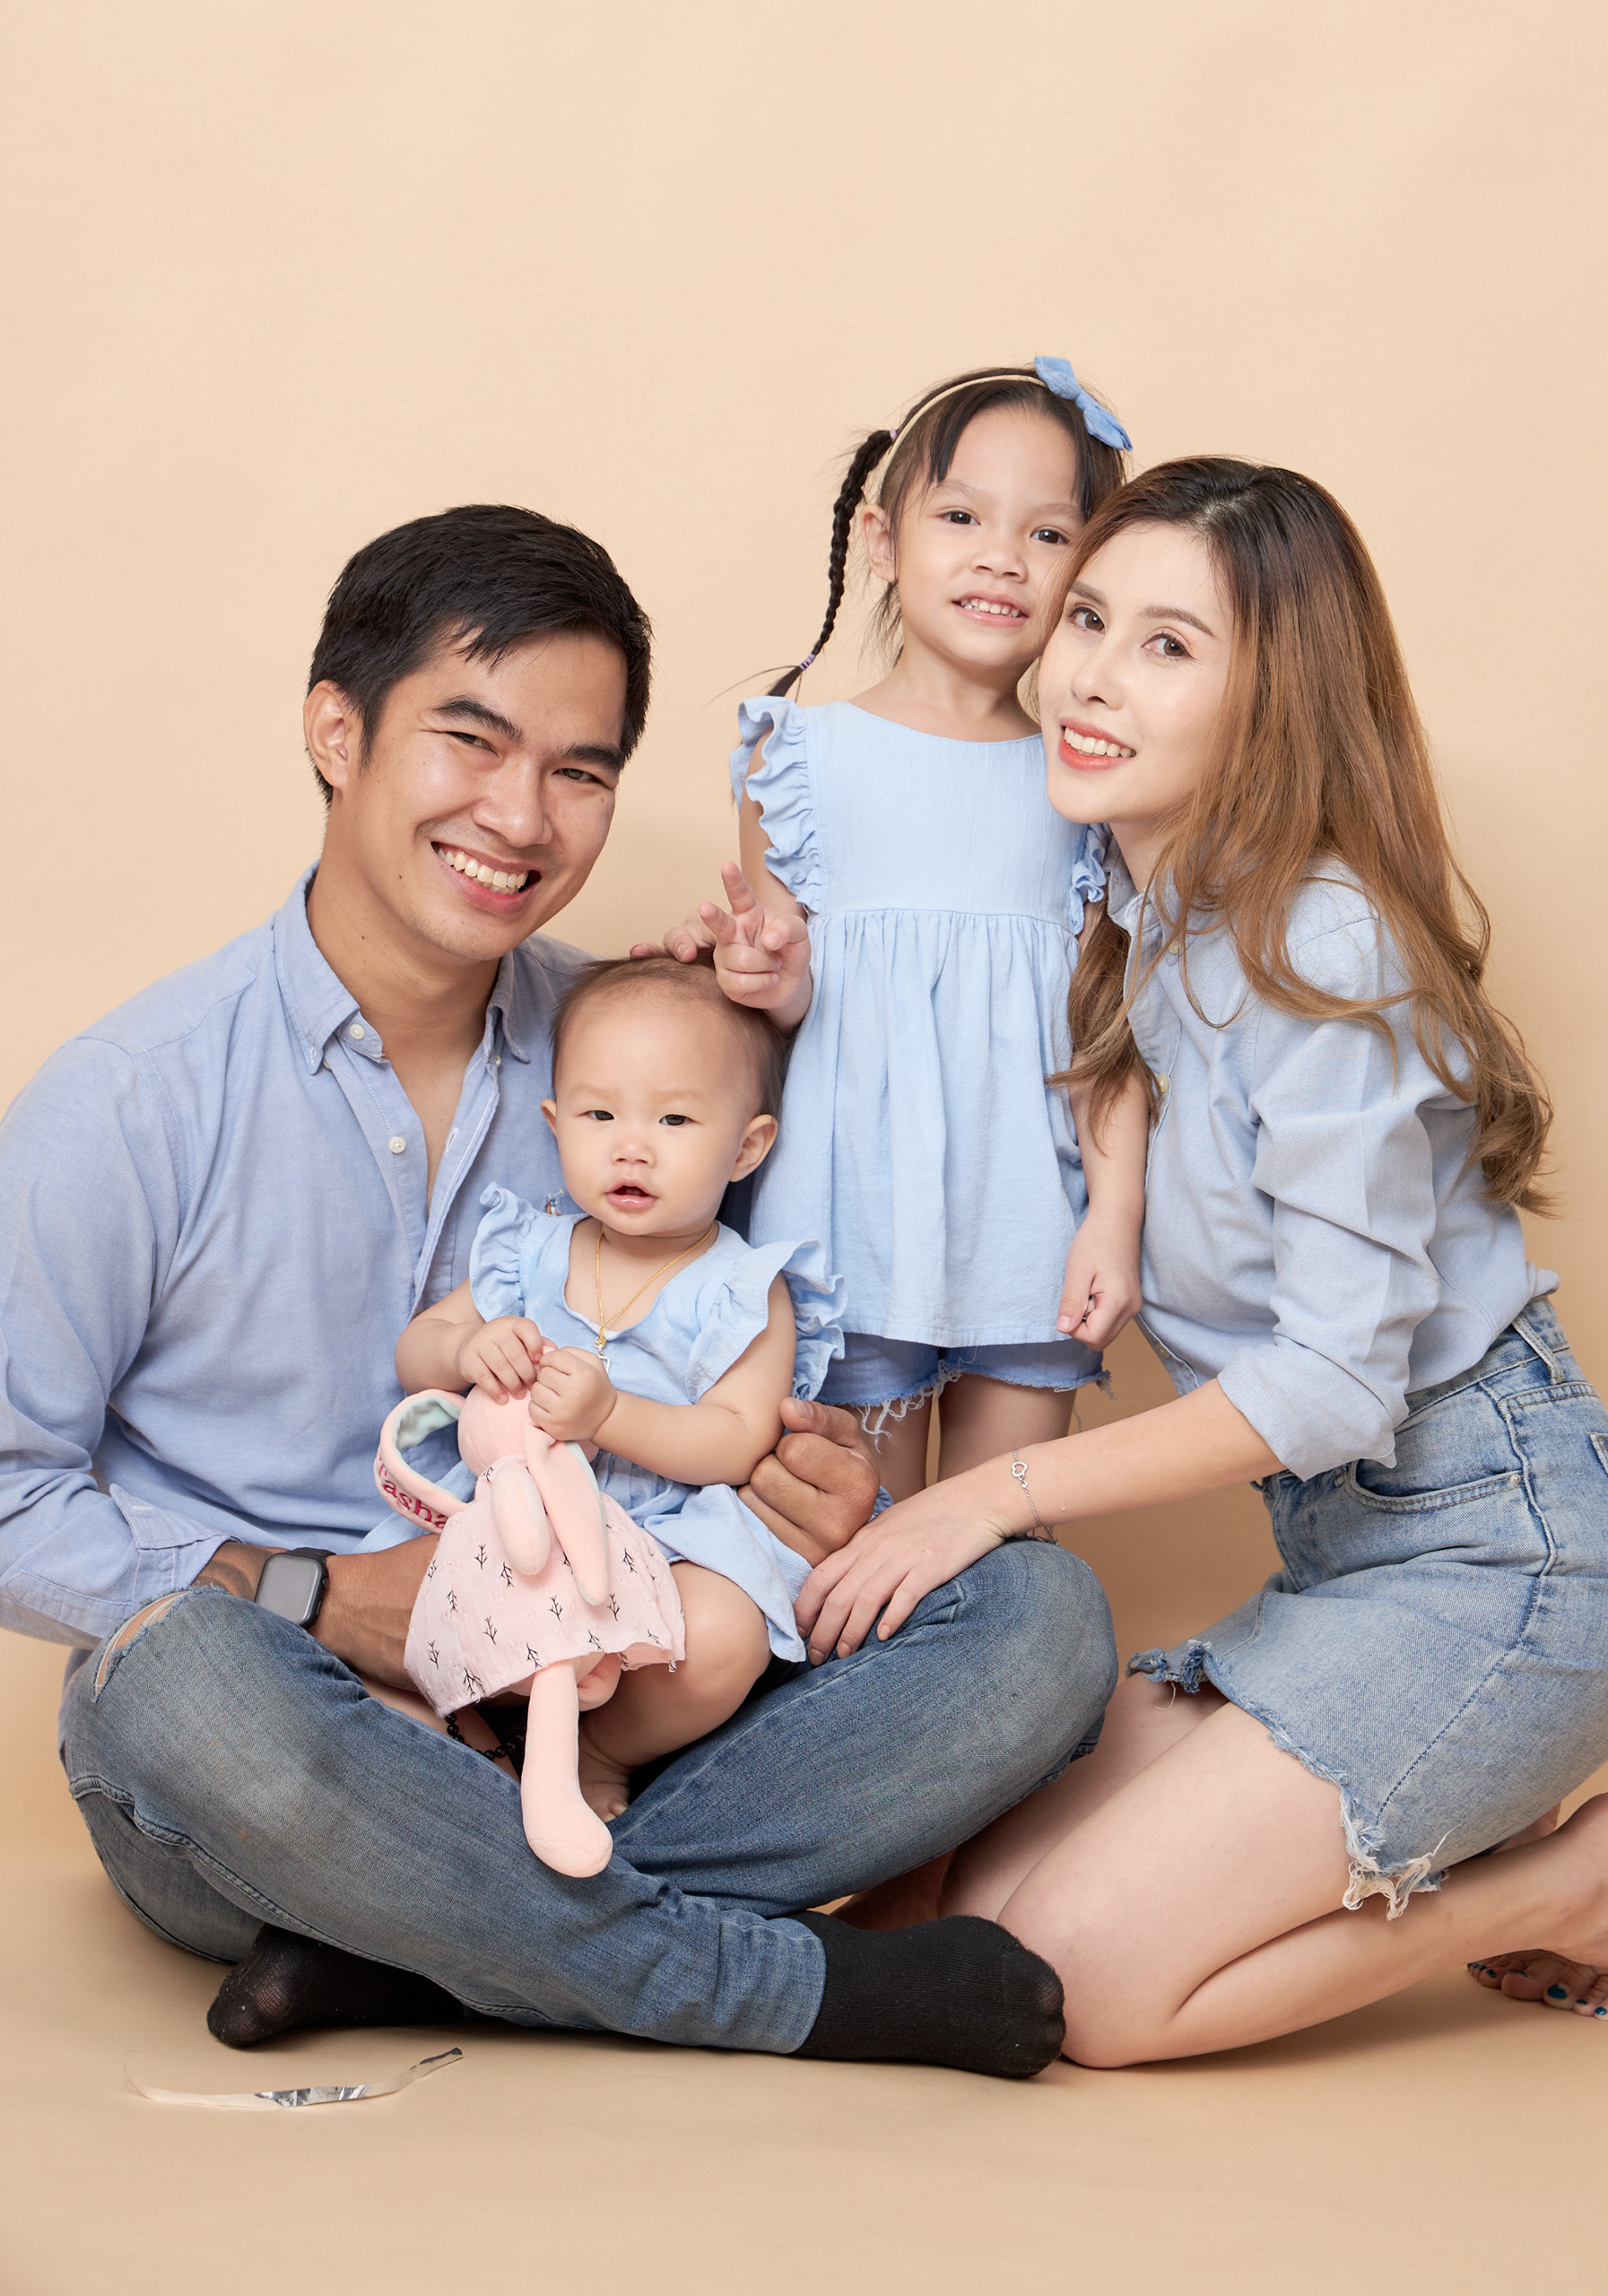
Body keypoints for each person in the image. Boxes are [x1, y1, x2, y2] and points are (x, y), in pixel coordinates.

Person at [0, 504, 1116, 2078]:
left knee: (1036, 1620)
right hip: (294, 1717)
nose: (521, 816)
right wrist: (314, 1597)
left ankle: (416, 1936)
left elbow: (754, 1358)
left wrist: (816, 1487)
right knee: (175, 1687)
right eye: (471, 740)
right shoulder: (129, 1101)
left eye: (580, 771)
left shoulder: (650, 1057)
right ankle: (774, 1989)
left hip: (619, 1691)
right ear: (337, 732)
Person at [794, 458, 1608, 2055]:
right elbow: (1108, 1046)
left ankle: (1571, 1885)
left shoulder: (1320, 943)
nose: (1088, 676)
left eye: (1168, 647)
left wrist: (987, 1498)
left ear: (1276, 701)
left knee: (1083, 1990)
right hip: (1345, 1568)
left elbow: (1336, 1387)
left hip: (1512, 1560)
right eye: (1087, 620)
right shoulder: (1151, 913)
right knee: (967, 1905)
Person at [683, 362, 1148, 1502]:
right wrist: (765, 976)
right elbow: (782, 1003)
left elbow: (1105, 1029)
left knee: (1003, 1557)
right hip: (850, 1222)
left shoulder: (1089, 776)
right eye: (962, 517)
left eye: (1049, 533)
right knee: (859, 1548)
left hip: (1026, 1228)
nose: (1003, 558)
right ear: (883, 539)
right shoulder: (799, 757)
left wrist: (1115, 1217)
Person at [395, 950, 846, 1825]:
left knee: (724, 1638)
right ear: (556, 1123)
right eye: (599, 1114)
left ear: (747, 1146)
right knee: (419, 1607)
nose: (631, 1145)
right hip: (518, 1515)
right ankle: (486, 1732)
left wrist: (612, 1415)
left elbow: (737, 1439)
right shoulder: (529, 1250)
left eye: (675, 1118)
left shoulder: (743, 1289)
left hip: (667, 1531)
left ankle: (602, 1749)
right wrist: (470, 1347)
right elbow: (416, 1350)